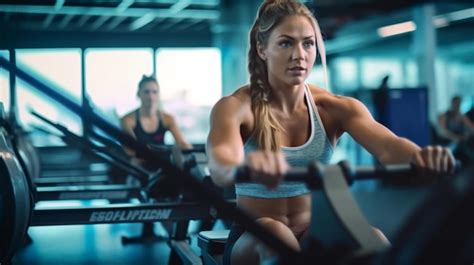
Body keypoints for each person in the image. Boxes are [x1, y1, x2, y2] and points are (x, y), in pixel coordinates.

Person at [206, 1, 456, 265]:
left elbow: (389, 147)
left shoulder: (333, 107)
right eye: (286, 43)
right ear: (262, 49)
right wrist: (244, 165)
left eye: (308, 43)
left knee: (372, 239)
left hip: (312, 234)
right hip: (252, 236)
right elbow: (220, 162)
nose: (299, 55)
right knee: (278, 236)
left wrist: (423, 157)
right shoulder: (235, 107)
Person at [121, 75, 192, 161]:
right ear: (138, 94)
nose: (151, 97)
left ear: (158, 95)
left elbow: (182, 143)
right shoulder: (127, 120)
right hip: (139, 165)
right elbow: (131, 150)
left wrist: (185, 148)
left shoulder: (168, 119)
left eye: (154, 92)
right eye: (146, 92)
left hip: (161, 164)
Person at [437, 95, 474, 164]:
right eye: (456, 103)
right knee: (455, 144)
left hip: (460, 142)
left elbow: (471, 128)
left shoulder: (462, 116)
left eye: (459, 104)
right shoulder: (444, 116)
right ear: (452, 103)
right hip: (447, 142)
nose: (457, 106)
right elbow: (442, 132)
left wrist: (467, 134)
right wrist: (455, 137)